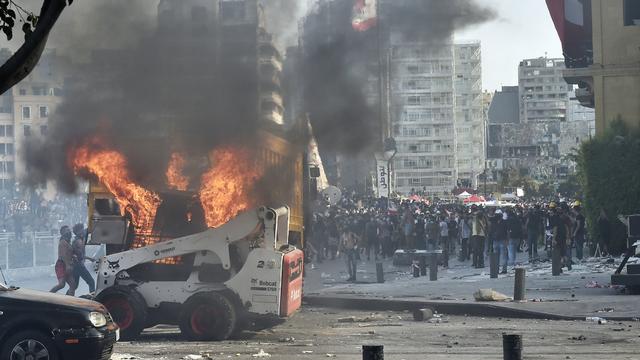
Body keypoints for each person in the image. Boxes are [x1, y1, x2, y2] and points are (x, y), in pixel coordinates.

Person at [50, 226, 77, 295]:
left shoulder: (67, 242)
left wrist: (73, 256)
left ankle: (70, 300)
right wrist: (67, 265)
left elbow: (69, 253)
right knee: (62, 284)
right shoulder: (63, 242)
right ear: (62, 233)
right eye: (66, 231)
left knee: (73, 285)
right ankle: (48, 295)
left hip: (68, 264)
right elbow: (63, 255)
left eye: (69, 230)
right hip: (62, 265)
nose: (69, 232)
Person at [72, 223, 96, 294]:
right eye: (81, 230)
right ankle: (92, 299)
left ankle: (67, 297)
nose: (82, 231)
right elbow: (80, 256)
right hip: (79, 265)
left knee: (75, 286)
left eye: (82, 229)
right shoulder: (78, 242)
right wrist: (89, 258)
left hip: (76, 265)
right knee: (91, 282)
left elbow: (88, 230)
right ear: (77, 232)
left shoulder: (80, 237)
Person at [492, 209, 508, 274]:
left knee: (496, 256)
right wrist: (507, 240)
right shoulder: (504, 222)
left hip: (496, 241)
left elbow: (491, 231)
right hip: (502, 240)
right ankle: (504, 270)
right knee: (503, 256)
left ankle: (496, 269)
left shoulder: (494, 222)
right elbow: (507, 232)